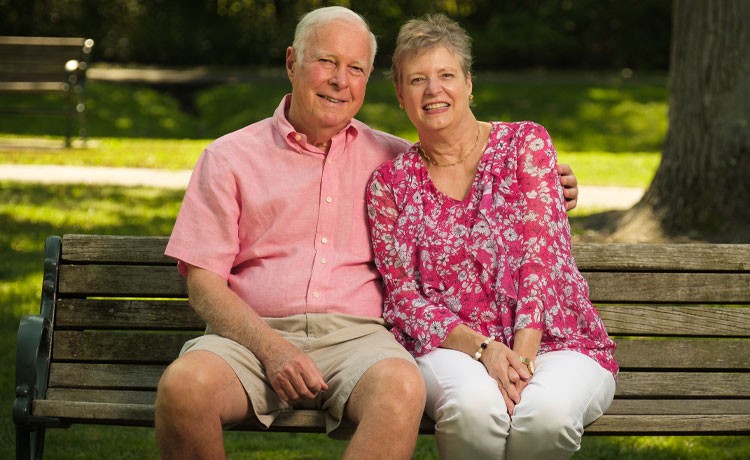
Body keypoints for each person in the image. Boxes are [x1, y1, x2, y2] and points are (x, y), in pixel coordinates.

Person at [156, 6, 579, 460]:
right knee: (184, 389)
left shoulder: (395, 165)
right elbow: (202, 284)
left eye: (355, 68)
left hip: (359, 340)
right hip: (250, 339)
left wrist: (554, 188)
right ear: (291, 63)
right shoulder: (228, 158)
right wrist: (272, 349)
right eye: (326, 62)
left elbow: (469, 177)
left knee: (400, 389)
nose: (340, 79)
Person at [366, 13, 617, 460]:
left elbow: (542, 259)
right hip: (453, 348)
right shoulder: (390, 184)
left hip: (556, 341)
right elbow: (403, 297)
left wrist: (518, 362)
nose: (433, 89)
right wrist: (483, 350)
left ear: (469, 84)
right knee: (472, 410)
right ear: (401, 96)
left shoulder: (525, 144)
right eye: (417, 79)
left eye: (446, 75)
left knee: (547, 416)